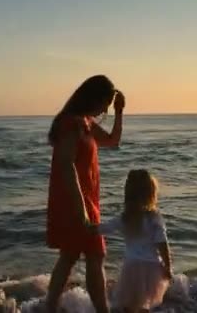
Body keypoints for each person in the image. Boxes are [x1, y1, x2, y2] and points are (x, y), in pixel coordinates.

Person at [45, 75, 125, 313]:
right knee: (93, 255)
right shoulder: (73, 124)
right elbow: (66, 165)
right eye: (105, 103)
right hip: (75, 200)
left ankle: (50, 308)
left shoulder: (86, 122)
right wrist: (81, 208)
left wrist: (120, 112)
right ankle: (101, 310)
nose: (105, 109)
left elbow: (113, 140)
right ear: (94, 98)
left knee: (72, 256)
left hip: (86, 199)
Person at [89, 169, 173, 313]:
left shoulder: (125, 218)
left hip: (132, 267)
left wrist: (86, 225)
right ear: (151, 193)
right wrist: (167, 266)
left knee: (129, 306)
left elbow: (105, 228)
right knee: (144, 306)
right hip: (152, 268)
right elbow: (162, 243)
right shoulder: (154, 218)